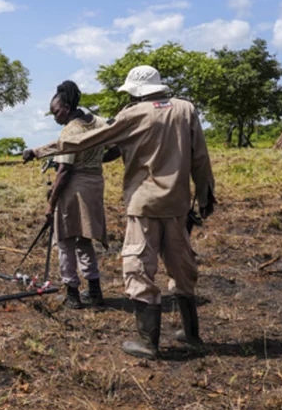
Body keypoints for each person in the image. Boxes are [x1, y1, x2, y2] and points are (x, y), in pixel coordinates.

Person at [24, 66, 216, 359]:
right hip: (178, 205)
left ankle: (148, 342)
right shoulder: (185, 109)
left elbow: (86, 141)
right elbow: (200, 157)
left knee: (138, 268)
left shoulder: (133, 114)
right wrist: (205, 196)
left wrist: (39, 151)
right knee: (181, 265)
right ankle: (191, 334)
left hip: (144, 205)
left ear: (135, 91)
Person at [44, 81, 119, 309]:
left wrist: (50, 205)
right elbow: (118, 147)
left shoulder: (70, 131)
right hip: (95, 185)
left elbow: (64, 172)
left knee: (65, 240)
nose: (55, 117)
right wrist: (97, 161)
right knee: (84, 239)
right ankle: (94, 291)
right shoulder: (97, 122)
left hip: (73, 189)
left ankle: (72, 294)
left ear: (66, 107)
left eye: (56, 112)